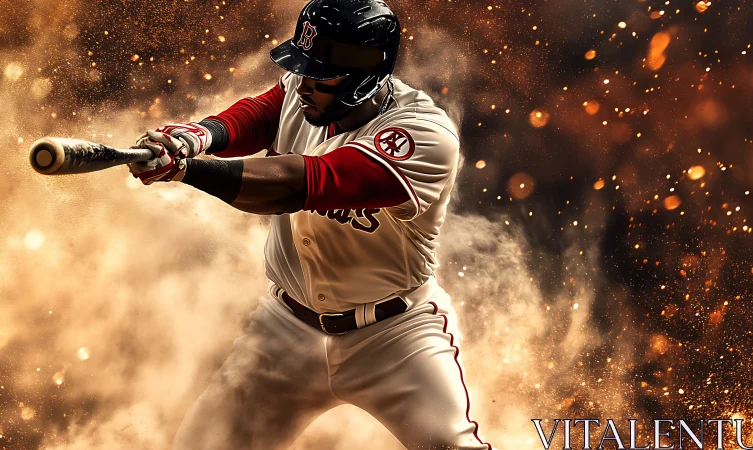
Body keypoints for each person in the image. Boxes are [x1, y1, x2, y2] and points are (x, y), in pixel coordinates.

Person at [129, 0, 492, 448]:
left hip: (395, 336)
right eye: (302, 67)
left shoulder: (422, 134)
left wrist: (186, 171)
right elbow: (259, 115)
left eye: (321, 73)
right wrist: (195, 137)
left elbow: (296, 185)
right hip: (286, 328)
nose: (303, 83)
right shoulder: (305, 93)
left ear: (365, 76)